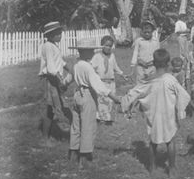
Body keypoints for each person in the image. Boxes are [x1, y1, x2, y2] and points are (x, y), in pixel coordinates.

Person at [121, 49, 190, 177]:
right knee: (170, 141)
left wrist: (124, 101)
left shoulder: (149, 80)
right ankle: (172, 168)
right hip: (168, 115)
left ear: (153, 62)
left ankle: (152, 167)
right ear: (168, 63)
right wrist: (180, 110)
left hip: (153, 115)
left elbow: (135, 92)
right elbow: (184, 95)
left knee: (153, 141)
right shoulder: (170, 79)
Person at [68, 38, 121, 169]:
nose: (93, 53)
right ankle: (83, 158)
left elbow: (68, 78)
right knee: (88, 126)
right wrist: (114, 97)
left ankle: (72, 153)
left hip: (76, 95)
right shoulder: (88, 68)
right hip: (87, 95)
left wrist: (63, 84)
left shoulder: (76, 64)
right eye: (91, 50)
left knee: (76, 126)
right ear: (86, 52)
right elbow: (99, 86)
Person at [38, 21, 73, 147]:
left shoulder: (53, 45)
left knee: (52, 109)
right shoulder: (48, 46)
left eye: (61, 33)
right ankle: (76, 132)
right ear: (51, 35)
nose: (61, 35)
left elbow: (61, 62)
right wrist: (61, 81)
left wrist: (71, 69)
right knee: (60, 107)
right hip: (53, 80)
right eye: (58, 33)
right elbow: (52, 68)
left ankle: (76, 132)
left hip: (56, 79)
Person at [91, 35, 129, 125]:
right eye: (106, 45)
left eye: (110, 46)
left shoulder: (112, 56)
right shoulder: (97, 56)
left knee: (110, 101)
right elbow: (91, 68)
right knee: (101, 101)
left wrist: (122, 74)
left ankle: (108, 119)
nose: (108, 48)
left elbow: (116, 67)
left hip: (111, 82)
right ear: (101, 45)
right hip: (101, 82)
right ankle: (100, 119)